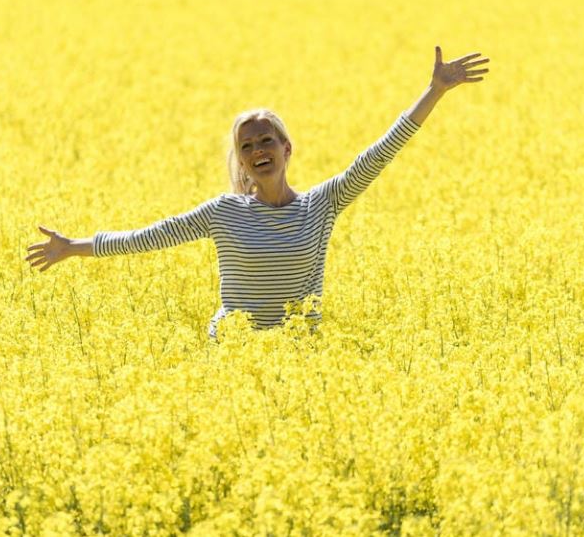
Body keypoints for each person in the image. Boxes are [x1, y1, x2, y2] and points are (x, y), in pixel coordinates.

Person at [25, 46, 489, 338]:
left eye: (266, 140)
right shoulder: (225, 212)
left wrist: (435, 91)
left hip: (297, 358)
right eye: (247, 146)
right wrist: (73, 248)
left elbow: (378, 155)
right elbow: (149, 237)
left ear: (286, 148)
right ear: (242, 160)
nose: (257, 150)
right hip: (233, 354)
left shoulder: (320, 205)